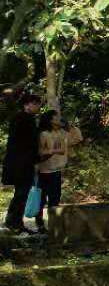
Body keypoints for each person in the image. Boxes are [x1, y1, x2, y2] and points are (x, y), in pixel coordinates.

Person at [34, 111, 82, 233]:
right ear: (50, 120)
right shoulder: (44, 134)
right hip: (44, 171)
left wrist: (72, 127)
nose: (60, 120)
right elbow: (39, 153)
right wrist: (54, 150)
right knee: (41, 199)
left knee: (55, 199)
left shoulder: (63, 133)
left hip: (57, 170)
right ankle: (40, 224)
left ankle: (53, 225)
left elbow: (78, 139)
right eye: (57, 118)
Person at [3, 93, 42, 234]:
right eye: (36, 104)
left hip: (19, 161)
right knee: (21, 193)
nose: (38, 107)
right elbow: (29, 144)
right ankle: (15, 223)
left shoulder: (23, 118)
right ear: (28, 104)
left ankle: (13, 222)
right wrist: (35, 160)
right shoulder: (23, 119)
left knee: (21, 193)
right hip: (22, 162)